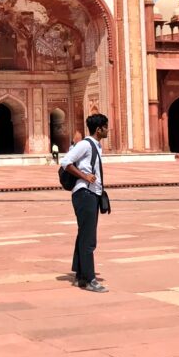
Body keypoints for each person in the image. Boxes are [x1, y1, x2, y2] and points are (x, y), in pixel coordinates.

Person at [60, 113, 110, 293]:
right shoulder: (85, 144)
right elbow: (65, 162)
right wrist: (85, 176)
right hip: (84, 194)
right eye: (106, 127)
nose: (107, 130)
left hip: (92, 194)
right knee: (89, 239)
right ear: (99, 129)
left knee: (84, 235)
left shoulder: (95, 146)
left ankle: (81, 275)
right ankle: (89, 279)